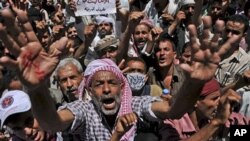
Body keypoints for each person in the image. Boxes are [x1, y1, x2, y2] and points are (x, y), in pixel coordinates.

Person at [0, 6, 241, 141]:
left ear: (123, 87)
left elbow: (173, 110)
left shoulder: (133, 104)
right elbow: (51, 122)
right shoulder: (84, 109)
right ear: (89, 90)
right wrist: (35, 88)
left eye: (111, 83)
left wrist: (195, 82)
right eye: (98, 85)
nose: (106, 90)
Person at [159, 79, 243, 141]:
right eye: (214, 99)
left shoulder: (222, 118)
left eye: (220, 98)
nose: (219, 103)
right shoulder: (172, 124)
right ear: (195, 102)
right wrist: (216, 122)